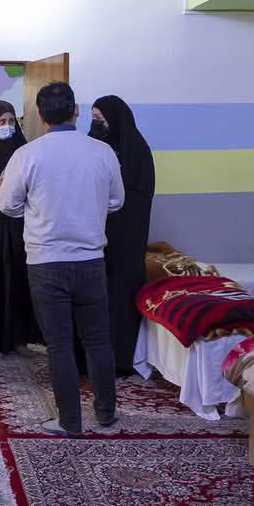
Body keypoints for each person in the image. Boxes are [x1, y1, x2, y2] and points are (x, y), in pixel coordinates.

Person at [0, 82, 124, 437]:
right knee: (98, 340)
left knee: (59, 345)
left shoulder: (27, 154)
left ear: (40, 115)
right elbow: (117, 201)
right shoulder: (102, 152)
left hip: (45, 262)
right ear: (76, 111)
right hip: (91, 261)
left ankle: (69, 421)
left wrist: (34, 210)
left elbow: (7, 205)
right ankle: (106, 414)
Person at [88, 95, 156, 375]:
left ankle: (121, 360)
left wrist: (112, 202)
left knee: (120, 295)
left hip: (125, 238)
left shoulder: (135, 149)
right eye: (93, 118)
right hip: (94, 236)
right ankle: (90, 359)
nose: (95, 124)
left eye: (100, 118)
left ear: (115, 119)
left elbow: (140, 196)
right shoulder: (91, 147)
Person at [0, 100, 43, 355]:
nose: (7, 126)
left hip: (17, 225)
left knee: (16, 277)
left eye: (11, 121)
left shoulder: (22, 149)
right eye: (1, 122)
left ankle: (18, 337)